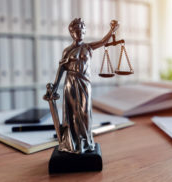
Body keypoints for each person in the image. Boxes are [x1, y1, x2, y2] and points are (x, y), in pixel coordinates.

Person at [48, 18, 119, 154]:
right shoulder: (67, 51)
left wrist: (112, 31)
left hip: (85, 83)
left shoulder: (88, 47)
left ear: (85, 32)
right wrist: (55, 87)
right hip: (71, 82)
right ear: (72, 33)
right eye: (76, 31)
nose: (79, 33)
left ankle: (85, 142)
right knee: (73, 113)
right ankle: (74, 144)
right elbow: (61, 69)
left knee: (85, 113)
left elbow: (104, 41)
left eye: (82, 31)